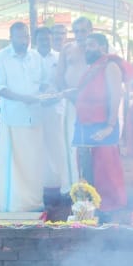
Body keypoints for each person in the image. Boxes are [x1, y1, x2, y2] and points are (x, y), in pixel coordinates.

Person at [0, 22, 47, 213]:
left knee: (34, 161)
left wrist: (50, 94)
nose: (24, 40)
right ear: (11, 38)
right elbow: (0, 89)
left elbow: (43, 83)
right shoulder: (1, 58)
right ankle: (15, 205)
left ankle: (34, 202)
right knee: (15, 164)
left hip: (36, 117)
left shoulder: (36, 57)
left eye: (26, 37)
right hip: (14, 119)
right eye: (20, 37)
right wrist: (24, 99)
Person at [74, 32, 130, 214]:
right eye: (86, 46)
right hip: (86, 125)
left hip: (104, 125)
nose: (87, 49)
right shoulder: (93, 67)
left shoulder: (110, 66)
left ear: (103, 48)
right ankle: (91, 206)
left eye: (92, 45)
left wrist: (110, 126)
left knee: (106, 168)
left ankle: (111, 209)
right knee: (87, 167)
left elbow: (116, 95)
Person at [34, 27, 73, 196]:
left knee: (58, 146)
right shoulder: (30, 58)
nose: (45, 41)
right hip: (35, 109)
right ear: (36, 40)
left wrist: (56, 96)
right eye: (41, 39)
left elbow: (64, 80)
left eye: (48, 38)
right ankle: (42, 185)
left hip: (56, 107)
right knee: (38, 148)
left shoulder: (59, 57)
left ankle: (62, 184)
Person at [57, 17, 94, 182]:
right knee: (72, 143)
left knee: (91, 144)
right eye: (76, 31)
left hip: (93, 104)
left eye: (83, 30)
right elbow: (59, 76)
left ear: (90, 31)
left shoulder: (98, 48)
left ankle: (92, 183)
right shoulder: (67, 49)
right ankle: (72, 184)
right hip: (71, 103)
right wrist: (70, 95)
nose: (79, 34)